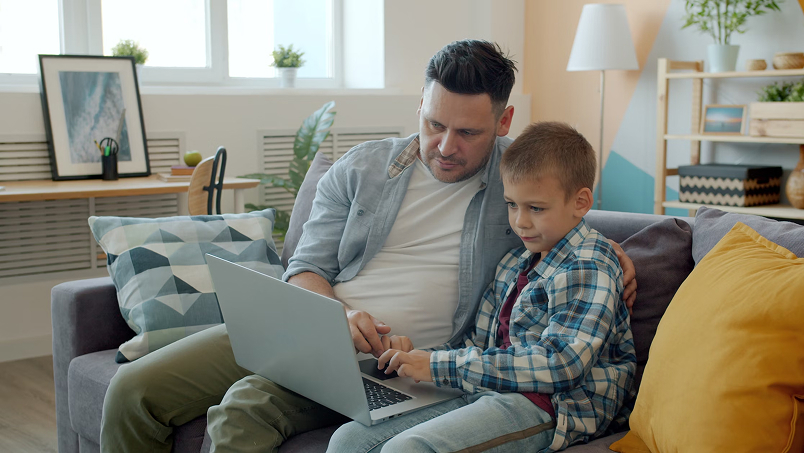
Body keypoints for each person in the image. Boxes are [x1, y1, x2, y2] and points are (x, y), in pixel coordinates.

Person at [99, 40, 637, 453]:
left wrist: (615, 254)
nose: (445, 147)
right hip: (313, 328)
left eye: (469, 133)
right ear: (420, 104)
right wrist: (340, 314)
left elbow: (567, 222)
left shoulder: (518, 177)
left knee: (244, 409)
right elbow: (305, 266)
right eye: (434, 123)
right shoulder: (361, 169)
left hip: (408, 365)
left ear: (503, 122)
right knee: (132, 391)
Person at [325, 121, 637, 452]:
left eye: (536, 208)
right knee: (349, 439)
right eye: (512, 204)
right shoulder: (513, 262)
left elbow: (562, 364)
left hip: (554, 406)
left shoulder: (589, 265)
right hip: (488, 389)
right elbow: (478, 343)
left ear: (581, 202)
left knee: (408, 449)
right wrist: (417, 358)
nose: (520, 222)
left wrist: (436, 367)